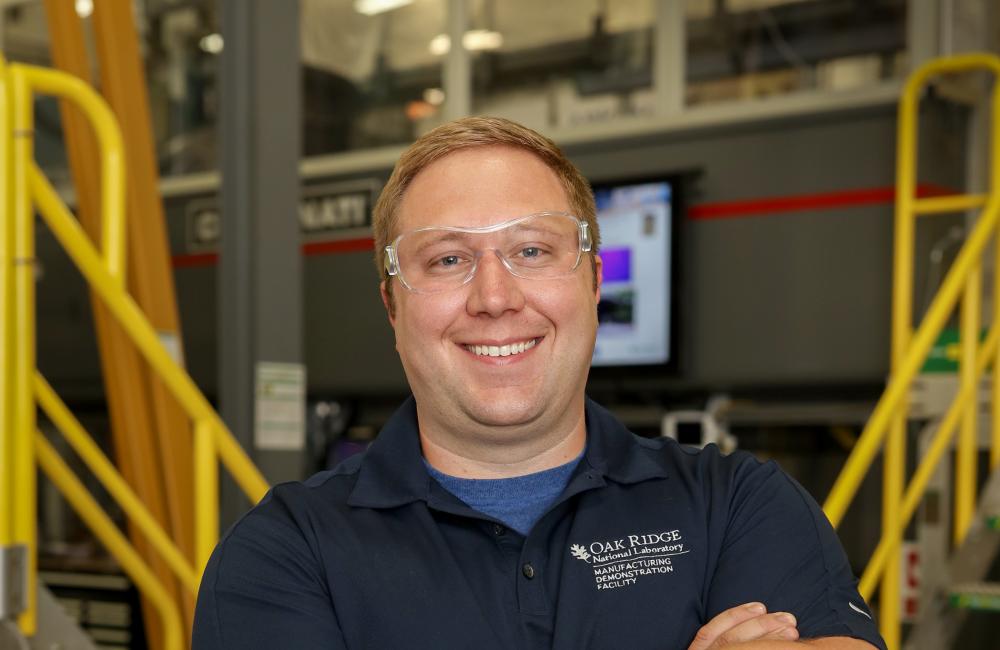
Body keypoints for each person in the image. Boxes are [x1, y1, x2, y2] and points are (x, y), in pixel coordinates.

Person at [193, 117, 886, 649]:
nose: (495, 296)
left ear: (592, 279)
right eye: (448, 259)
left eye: (531, 250)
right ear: (392, 306)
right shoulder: (284, 553)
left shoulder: (739, 508)